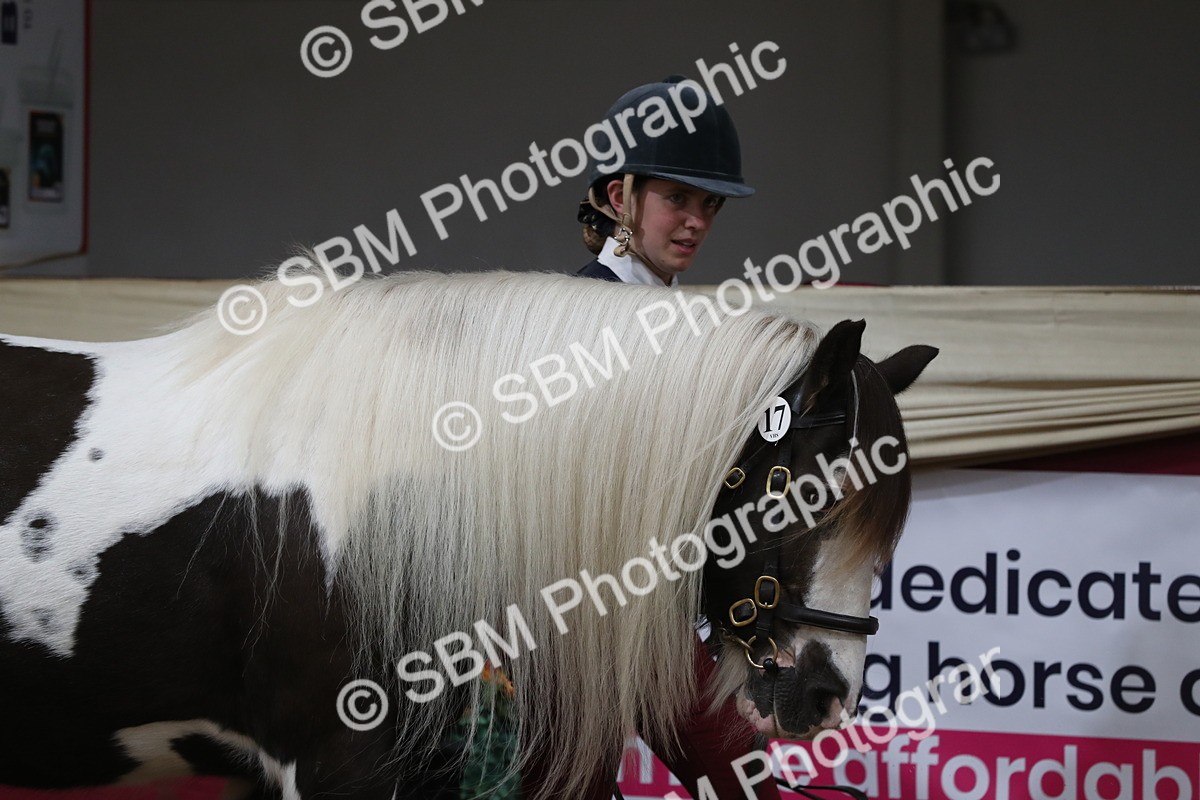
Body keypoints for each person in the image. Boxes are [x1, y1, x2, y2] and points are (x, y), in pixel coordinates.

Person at [565, 76, 783, 800]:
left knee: (749, 789)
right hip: (568, 643)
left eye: (710, 204)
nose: (696, 221)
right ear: (619, 197)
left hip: (660, 629)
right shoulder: (569, 321)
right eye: (678, 198)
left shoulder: (692, 329)